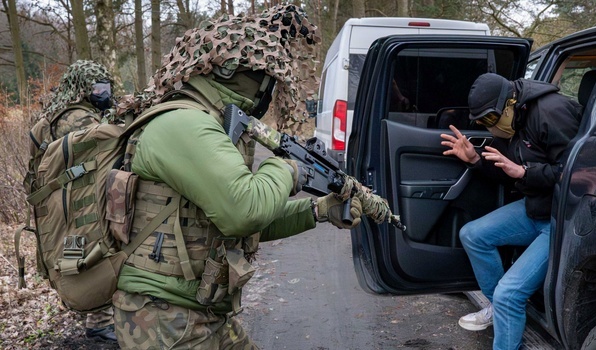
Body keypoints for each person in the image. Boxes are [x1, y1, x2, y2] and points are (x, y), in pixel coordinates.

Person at [111, 5, 363, 349]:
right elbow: (244, 209)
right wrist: (287, 168)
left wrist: (316, 211)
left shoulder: (207, 123)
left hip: (198, 313)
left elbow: (241, 226)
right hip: (162, 320)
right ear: (244, 75)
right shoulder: (184, 124)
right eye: (268, 80)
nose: (270, 92)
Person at [440, 72, 581, 350]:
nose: (489, 128)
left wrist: (524, 172)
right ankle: (499, 309)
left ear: (511, 101)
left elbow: (576, 173)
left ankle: (504, 310)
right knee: (473, 234)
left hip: (562, 217)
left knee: (509, 294)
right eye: (482, 123)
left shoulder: (552, 112)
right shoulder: (512, 121)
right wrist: (476, 159)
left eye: (490, 120)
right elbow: (507, 171)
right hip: (536, 207)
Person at [39, 60, 118, 344]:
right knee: (88, 251)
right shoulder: (74, 117)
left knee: (81, 252)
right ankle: (95, 316)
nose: (103, 92)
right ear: (81, 89)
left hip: (73, 197)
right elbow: (103, 141)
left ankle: (93, 312)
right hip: (72, 201)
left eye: (105, 87)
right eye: (96, 88)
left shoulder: (71, 111)